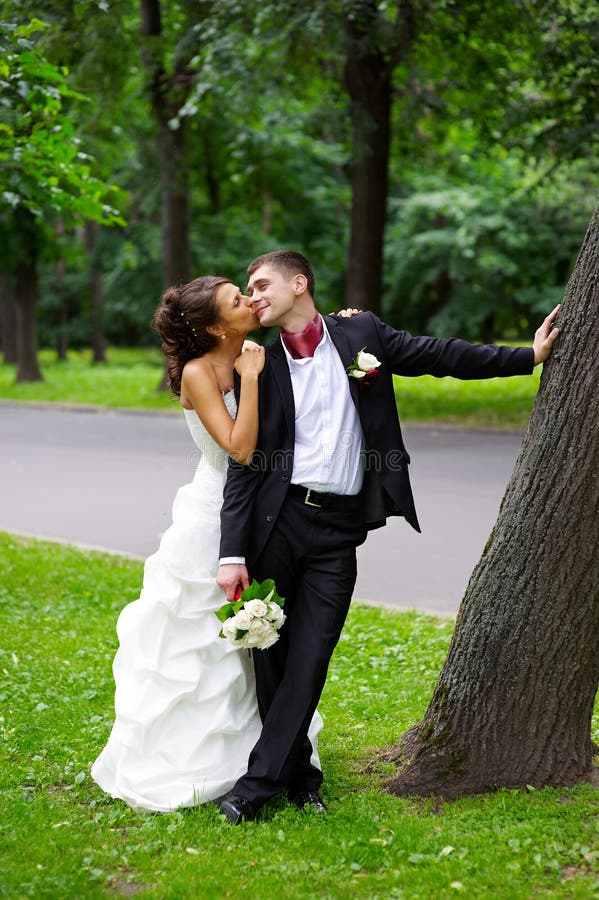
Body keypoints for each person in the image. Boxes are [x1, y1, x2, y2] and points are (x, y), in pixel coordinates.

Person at [215, 249, 561, 824]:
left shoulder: (362, 333)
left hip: (339, 529)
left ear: (299, 282)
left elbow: (438, 354)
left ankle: (255, 787)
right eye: (247, 289)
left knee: (312, 656)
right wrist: (232, 552)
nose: (254, 296)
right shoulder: (259, 365)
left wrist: (527, 356)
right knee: (272, 661)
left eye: (261, 284)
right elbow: (243, 464)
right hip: (276, 524)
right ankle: (298, 778)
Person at [91, 275, 325, 811]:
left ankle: (272, 756)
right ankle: (196, 759)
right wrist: (248, 378)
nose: (249, 300)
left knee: (263, 648)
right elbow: (240, 451)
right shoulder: (202, 372)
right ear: (217, 325)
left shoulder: (256, 351)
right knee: (201, 642)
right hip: (212, 518)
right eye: (236, 300)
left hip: (264, 513)